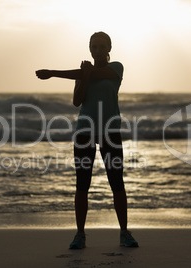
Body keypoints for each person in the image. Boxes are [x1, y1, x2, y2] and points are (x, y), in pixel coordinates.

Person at [35, 32, 138, 249]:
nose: (98, 50)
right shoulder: (83, 73)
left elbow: (99, 75)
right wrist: (83, 76)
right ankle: (80, 234)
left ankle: (124, 232)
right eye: (94, 47)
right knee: (82, 184)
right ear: (89, 49)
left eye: (102, 46)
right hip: (85, 132)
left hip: (110, 132)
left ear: (109, 48)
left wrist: (53, 73)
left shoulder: (116, 68)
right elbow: (76, 102)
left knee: (116, 183)